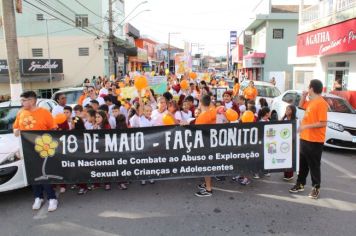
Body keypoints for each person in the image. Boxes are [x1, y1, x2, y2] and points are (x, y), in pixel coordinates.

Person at [13, 91, 58, 212]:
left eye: (23, 100)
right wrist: (16, 132)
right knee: (32, 174)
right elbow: (16, 128)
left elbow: (54, 128)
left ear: (32, 100)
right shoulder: (20, 113)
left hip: (43, 148)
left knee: (43, 173)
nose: (21, 103)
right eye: (21, 100)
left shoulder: (44, 112)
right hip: (27, 149)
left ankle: (52, 198)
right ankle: (38, 197)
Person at [289, 79, 328, 199]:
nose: (307, 89)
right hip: (305, 138)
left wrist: (306, 126)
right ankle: (300, 184)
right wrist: (303, 96)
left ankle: (316, 187)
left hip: (315, 141)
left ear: (312, 88)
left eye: (308, 87)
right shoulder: (311, 101)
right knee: (303, 164)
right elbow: (301, 106)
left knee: (314, 165)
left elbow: (323, 123)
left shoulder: (321, 103)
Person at [195, 95, 217, 197]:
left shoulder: (202, 117)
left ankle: (208, 189)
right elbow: (211, 104)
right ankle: (206, 184)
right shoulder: (213, 111)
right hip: (211, 141)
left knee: (206, 166)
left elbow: (196, 131)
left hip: (204, 143)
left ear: (200, 103)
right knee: (207, 165)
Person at [282, 104, 297, 181]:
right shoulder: (283, 119)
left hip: (292, 142)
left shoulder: (295, 121)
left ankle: (290, 174)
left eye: (289, 110)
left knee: (290, 158)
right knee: (284, 157)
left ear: (293, 111)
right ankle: (285, 173)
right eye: (286, 109)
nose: (287, 111)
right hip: (284, 142)